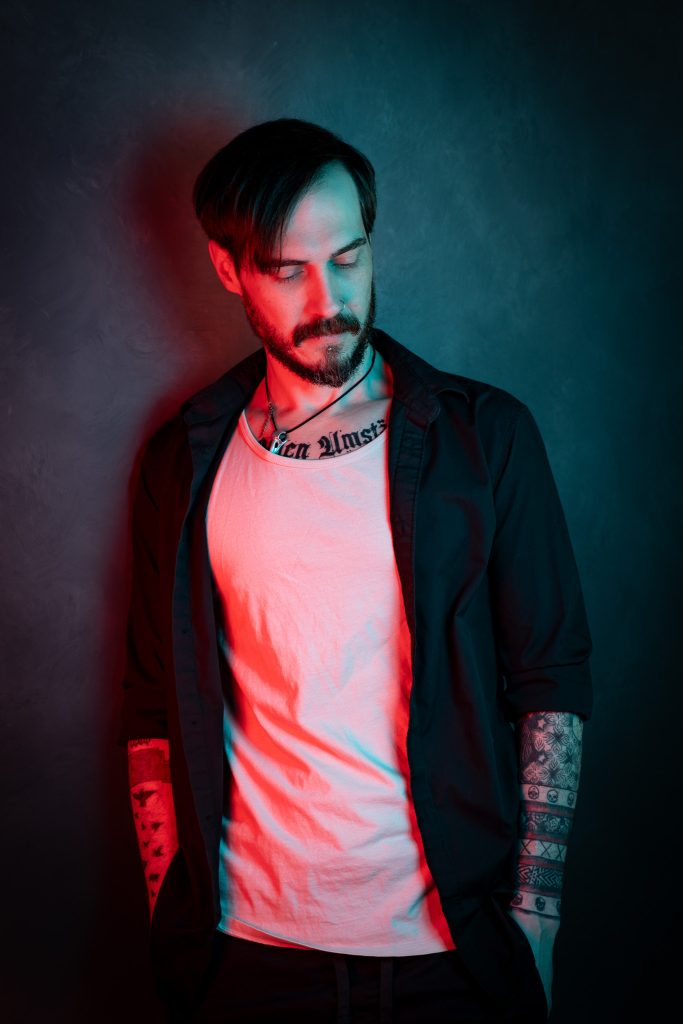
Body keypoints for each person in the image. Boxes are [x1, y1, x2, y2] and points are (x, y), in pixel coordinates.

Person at [118, 118, 592, 1023]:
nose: (328, 296)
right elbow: (149, 705)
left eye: (349, 256)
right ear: (228, 268)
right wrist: (166, 913)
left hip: (448, 960)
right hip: (246, 958)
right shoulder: (183, 460)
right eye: (287, 269)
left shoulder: (483, 439)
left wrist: (535, 921)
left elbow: (551, 681)